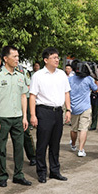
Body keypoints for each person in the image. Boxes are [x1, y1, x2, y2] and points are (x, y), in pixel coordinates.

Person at [0, 45, 31, 187]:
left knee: (19, 147)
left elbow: (24, 96)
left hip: (18, 117)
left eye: (18, 56)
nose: (17, 59)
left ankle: (19, 175)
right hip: (2, 118)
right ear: (5, 59)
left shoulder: (21, 75)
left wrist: (25, 116)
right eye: (14, 56)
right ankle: (2, 176)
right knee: (1, 148)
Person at [29, 47, 71, 183]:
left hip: (58, 111)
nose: (57, 60)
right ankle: (41, 171)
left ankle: (55, 171)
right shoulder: (38, 76)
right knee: (42, 143)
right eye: (54, 58)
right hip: (43, 111)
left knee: (55, 144)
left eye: (58, 57)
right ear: (45, 60)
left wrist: (68, 109)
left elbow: (66, 92)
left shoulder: (62, 75)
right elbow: (32, 96)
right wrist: (33, 115)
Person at [68, 60, 98, 157]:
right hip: (85, 107)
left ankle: (73, 144)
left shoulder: (70, 79)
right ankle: (81, 150)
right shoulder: (88, 79)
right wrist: (96, 78)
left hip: (73, 108)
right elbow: (95, 89)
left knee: (74, 129)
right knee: (83, 129)